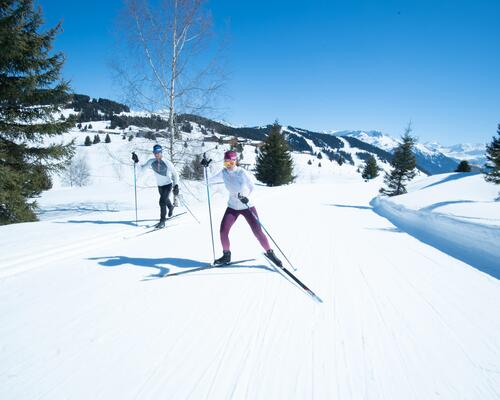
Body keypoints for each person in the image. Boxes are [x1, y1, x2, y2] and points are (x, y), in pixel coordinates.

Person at [205, 150, 283, 266]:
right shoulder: (223, 173)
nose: (228, 166)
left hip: (247, 206)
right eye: (226, 163)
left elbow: (252, 187)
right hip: (232, 206)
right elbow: (208, 182)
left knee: (257, 232)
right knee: (223, 231)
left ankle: (270, 253)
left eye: (230, 163)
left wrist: (246, 197)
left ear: (235, 161)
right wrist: (205, 169)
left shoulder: (242, 173)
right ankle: (226, 256)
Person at [132, 144, 179, 229]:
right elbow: (141, 169)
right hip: (160, 186)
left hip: (168, 184)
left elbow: (175, 174)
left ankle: (162, 221)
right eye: (155, 152)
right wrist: (136, 161)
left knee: (162, 201)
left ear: (161, 152)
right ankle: (170, 207)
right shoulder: (151, 161)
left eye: (158, 152)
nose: (156, 154)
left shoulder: (167, 162)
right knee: (165, 199)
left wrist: (176, 185)